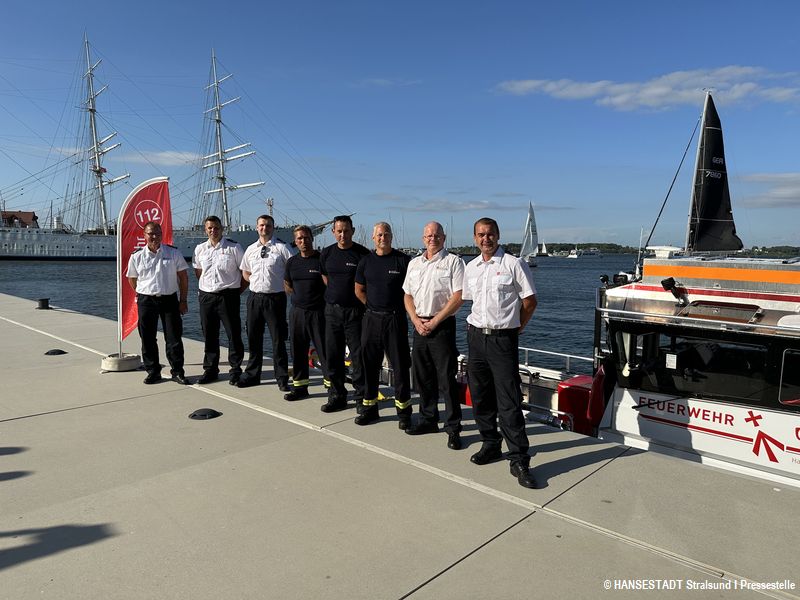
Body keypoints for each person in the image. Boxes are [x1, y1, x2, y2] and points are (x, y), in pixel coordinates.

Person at [462, 217, 538, 489]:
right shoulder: (471, 267)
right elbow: (471, 301)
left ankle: (519, 459)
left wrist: (516, 328)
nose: (486, 239)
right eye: (481, 235)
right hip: (475, 338)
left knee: (509, 401)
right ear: (475, 238)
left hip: (502, 340)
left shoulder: (513, 264)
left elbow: (530, 302)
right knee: (480, 396)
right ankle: (490, 444)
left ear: (498, 235)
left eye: (490, 234)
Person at [402, 221, 465, 449]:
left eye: (437, 235)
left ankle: (453, 428)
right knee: (423, 376)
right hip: (419, 325)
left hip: (442, 326)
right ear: (423, 239)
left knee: (447, 379)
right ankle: (428, 419)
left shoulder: (453, 262)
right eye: (428, 235)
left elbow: (458, 296)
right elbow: (407, 295)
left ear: (443, 237)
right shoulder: (414, 264)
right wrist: (415, 320)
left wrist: (436, 321)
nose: (432, 238)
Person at [354, 222, 412, 428]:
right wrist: (372, 307)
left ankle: (404, 414)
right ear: (373, 238)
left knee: (400, 367)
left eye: (386, 234)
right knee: (369, 366)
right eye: (379, 234)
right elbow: (359, 290)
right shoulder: (365, 262)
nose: (383, 238)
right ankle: (370, 409)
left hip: (395, 320)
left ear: (391, 236)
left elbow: (411, 292)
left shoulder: (403, 261)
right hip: (371, 319)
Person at [126, 221, 190, 385]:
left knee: (174, 338)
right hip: (146, 300)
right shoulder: (137, 256)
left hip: (169, 300)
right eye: (150, 233)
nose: (154, 236)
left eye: (157, 233)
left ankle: (177, 372)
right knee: (147, 338)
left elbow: (183, 278)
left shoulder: (173, 253)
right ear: (144, 235)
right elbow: (132, 279)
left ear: (162, 235)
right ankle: (153, 372)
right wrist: (142, 292)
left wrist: (183, 300)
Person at [318, 215, 370, 412]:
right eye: (339, 231)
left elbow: (367, 283)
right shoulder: (327, 253)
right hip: (332, 312)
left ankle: (361, 398)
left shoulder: (362, 254)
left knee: (358, 357)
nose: (342, 235)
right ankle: (337, 396)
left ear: (352, 231)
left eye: (346, 231)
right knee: (333, 356)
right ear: (333, 232)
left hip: (355, 313)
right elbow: (325, 277)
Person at [238, 215, 294, 390]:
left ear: (273, 227)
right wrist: (254, 281)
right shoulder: (250, 249)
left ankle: (282, 377)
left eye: (268, 225)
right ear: (257, 227)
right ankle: (252, 375)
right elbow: (245, 271)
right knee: (253, 338)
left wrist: (287, 286)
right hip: (255, 298)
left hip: (275, 299)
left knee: (278, 339)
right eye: (261, 225)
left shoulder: (282, 248)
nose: (264, 228)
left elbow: (292, 269)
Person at [192, 215, 246, 386]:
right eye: (210, 228)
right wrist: (207, 288)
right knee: (209, 334)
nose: (213, 231)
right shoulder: (200, 249)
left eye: (216, 228)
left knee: (233, 334)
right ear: (205, 230)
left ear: (222, 229)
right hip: (207, 296)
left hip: (228, 296)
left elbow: (245, 272)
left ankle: (235, 370)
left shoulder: (234, 248)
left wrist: (236, 292)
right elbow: (199, 272)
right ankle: (210, 370)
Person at [283, 225, 329, 401]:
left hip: (318, 313)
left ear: (312, 238)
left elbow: (329, 285)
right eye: (299, 239)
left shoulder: (321, 260)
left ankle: (333, 389)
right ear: (295, 242)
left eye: (306, 238)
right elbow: (287, 285)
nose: (303, 241)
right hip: (297, 313)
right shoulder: (292, 262)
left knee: (325, 352)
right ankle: (300, 388)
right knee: (298, 351)